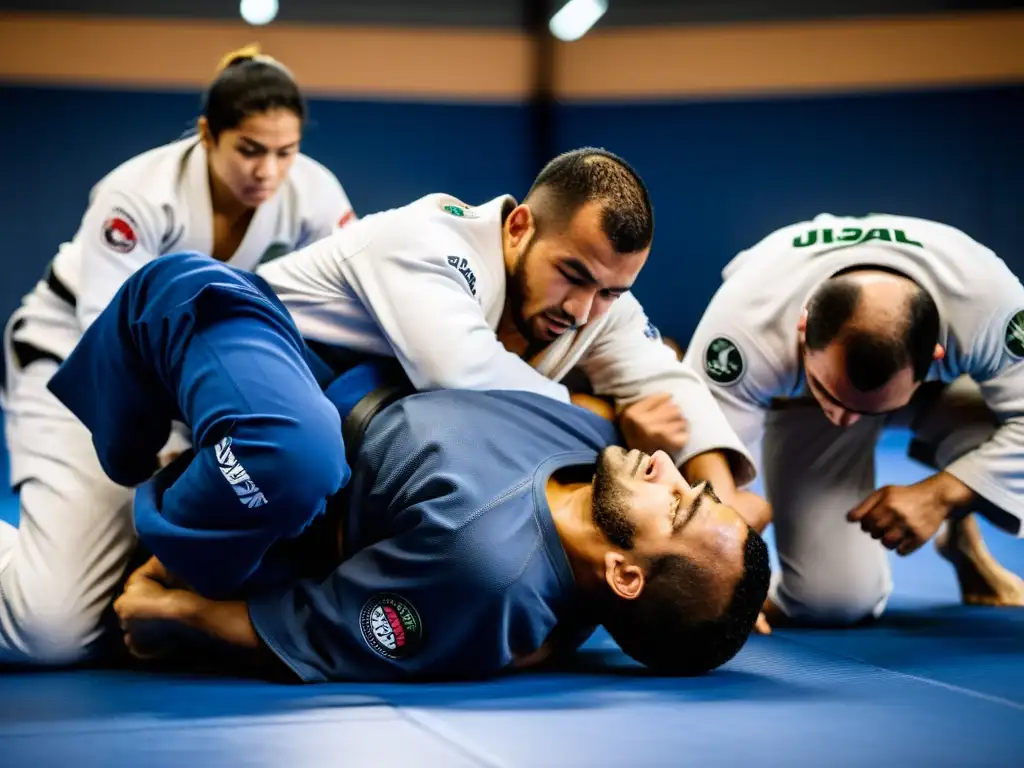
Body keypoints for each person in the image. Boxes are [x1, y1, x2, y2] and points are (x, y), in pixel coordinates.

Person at [0, 45, 357, 665]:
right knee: (51, 631)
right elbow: (110, 341)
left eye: (285, 152)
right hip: (78, 366)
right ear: (207, 135)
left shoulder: (316, 194)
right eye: (249, 149)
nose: (268, 172)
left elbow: (346, 304)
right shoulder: (137, 194)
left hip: (201, 383)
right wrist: (176, 439)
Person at [109, 381, 770, 683]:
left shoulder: (486, 575)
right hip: (326, 367)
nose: (666, 469)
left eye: (678, 505)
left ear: (626, 574)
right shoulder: (606, 457)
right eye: (693, 485)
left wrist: (175, 610)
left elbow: (311, 629)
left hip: (249, 465)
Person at [257, 147, 767, 533]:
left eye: (611, 291)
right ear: (519, 227)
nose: (582, 310)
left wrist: (720, 521)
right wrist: (607, 420)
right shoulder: (427, 239)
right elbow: (458, 375)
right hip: (260, 356)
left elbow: (671, 388)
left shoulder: (596, 300)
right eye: (572, 274)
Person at [683, 212, 1024, 631]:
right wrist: (728, 573)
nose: (845, 420)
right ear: (803, 329)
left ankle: (960, 528)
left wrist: (941, 495)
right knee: (833, 604)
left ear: (936, 354)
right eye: (829, 392)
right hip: (798, 408)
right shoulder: (747, 323)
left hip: (935, 399)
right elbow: (708, 452)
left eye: (868, 411)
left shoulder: (987, 301)